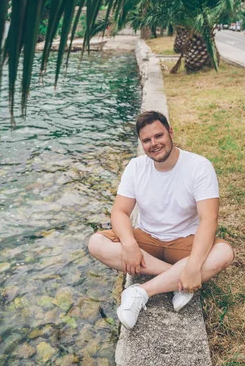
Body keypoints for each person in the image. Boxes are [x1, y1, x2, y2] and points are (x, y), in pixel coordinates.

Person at [88, 111, 234, 329]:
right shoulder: (136, 167)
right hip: (146, 241)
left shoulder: (199, 166)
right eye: (146, 140)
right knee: (96, 243)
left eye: (158, 136)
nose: (153, 144)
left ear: (170, 133)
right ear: (141, 143)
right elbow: (119, 212)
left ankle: (140, 292)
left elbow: (209, 219)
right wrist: (129, 244)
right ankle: (176, 279)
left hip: (186, 243)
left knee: (224, 253)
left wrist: (193, 264)